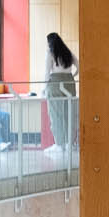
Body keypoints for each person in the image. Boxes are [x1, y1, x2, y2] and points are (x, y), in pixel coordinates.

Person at [44, 31, 78, 159]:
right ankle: (70, 143)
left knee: (55, 113)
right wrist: (72, 76)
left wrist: (44, 88)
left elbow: (47, 72)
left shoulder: (50, 53)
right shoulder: (67, 52)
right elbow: (79, 66)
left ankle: (59, 144)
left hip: (55, 83)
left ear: (50, 42)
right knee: (69, 113)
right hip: (69, 82)